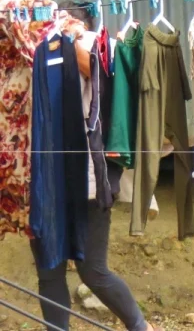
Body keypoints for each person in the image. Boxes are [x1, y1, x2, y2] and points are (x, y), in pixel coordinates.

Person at [30, 31, 155, 331]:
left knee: (93, 271)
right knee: (50, 269)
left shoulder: (98, 52)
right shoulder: (31, 53)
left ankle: (141, 327)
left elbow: (106, 78)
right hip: (44, 183)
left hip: (90, 184)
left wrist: (74, 49)